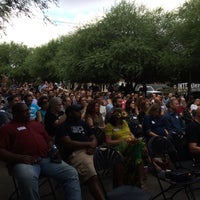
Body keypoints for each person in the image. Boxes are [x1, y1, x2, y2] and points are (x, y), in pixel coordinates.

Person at [0, 103, 82, 200]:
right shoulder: (6, 129)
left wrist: (53, 148)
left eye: (28, 110)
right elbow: (1, 150)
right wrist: (20, 158)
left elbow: (49, 140)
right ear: (15, 113)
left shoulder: (35, 124)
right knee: (27, 179)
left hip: (45, 159)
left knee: (71, 173)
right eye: (24, 111)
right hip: (23, 163)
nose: (28, 113)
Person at [55, 104, 106, 200]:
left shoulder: (82, 123)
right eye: (77, 111)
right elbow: (69, 143)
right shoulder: (63, 127)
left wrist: (93, 145)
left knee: (116, 156)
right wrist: (88, 144)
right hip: (76, 153)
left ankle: (118, 188)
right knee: (92, 176)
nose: (80, 113)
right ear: (70, 114)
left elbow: (93, 136)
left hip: (91, 149)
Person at [105, 108, 147, 187]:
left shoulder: (124, 122)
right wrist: (122, 140)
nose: (121, 119)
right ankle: (141, 181)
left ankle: (139, 178)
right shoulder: (109, 126)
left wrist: (133, 137)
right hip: (118, 147)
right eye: (120, 118)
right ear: (115, 117)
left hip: (130, 144)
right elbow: (108, 142)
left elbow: (130, 132)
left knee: (138, 144)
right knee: (139, 147)